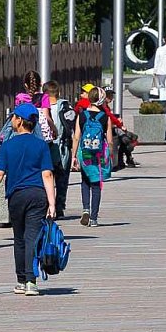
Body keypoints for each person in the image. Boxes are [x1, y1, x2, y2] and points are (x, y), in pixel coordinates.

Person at [0, 103, 56, 297]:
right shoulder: (41, 145)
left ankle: (21, 280)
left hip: (16, 196)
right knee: (32, 238)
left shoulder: (8, 146)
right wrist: (52, 204)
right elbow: (47, 175)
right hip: (37, 195)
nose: (10, 120)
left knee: (19, 238)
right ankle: (31, 281)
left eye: (13, 117)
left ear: (19, 121)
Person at [71, 87, 114, 227]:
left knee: (85, 181)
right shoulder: (105, 117)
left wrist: (73, 156)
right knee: (96, 185)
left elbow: (76, 137)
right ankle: (94, 218)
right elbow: (110, 140)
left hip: (84, 153)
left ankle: (85, 209)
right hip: (98, 154)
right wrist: (111, 155)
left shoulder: (82, 115)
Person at [44, 80, 76, 219]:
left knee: (46, 177)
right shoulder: (65, 107)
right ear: (59, 93)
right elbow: (72, 127)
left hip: (48, 147)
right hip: (63, 148)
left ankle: (48, 206)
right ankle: (59, 206)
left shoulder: (40, 108)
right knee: (62, 179)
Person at [15, 71, 55, 143]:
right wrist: (54, 129)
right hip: (40, 136)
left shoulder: (20, 97)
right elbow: (47, 117)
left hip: (24, 133)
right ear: (40, 84)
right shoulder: (44, 97)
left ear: (26, 85)